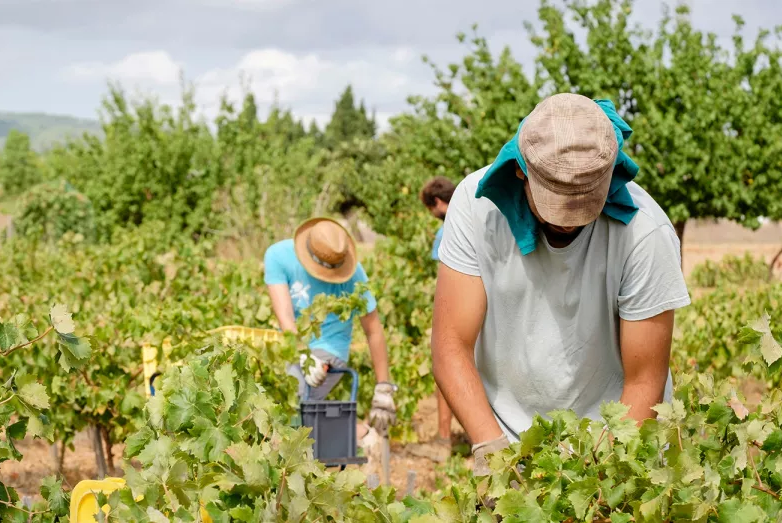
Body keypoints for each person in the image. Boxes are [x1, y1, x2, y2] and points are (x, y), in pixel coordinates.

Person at [430, 93, 691, 476]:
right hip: (509, 445)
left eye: (583, 204)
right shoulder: (475, 207)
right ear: (521, 171)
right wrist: (491, 450)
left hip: (614, 449)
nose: (568, 222)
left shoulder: (645, 234)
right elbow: (451, 345)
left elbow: (644, 381)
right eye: (557, 204)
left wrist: (600, 485)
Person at [264, 217, 396, 439]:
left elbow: (373, 330)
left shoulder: (354, 273)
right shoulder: (278, 256)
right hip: (291, 345)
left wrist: (383, 386)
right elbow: (285, 318)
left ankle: (358, 436)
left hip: (329, 350)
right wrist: (303, 355)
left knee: (294, 403)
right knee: (271, 403)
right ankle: (359, 435)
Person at [420, 176, 459, 459]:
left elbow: (445, 282)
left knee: (446, 368)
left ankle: (443, 440)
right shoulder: (478, 215)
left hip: (459, 311)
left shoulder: (446, 230)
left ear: (436, 202)